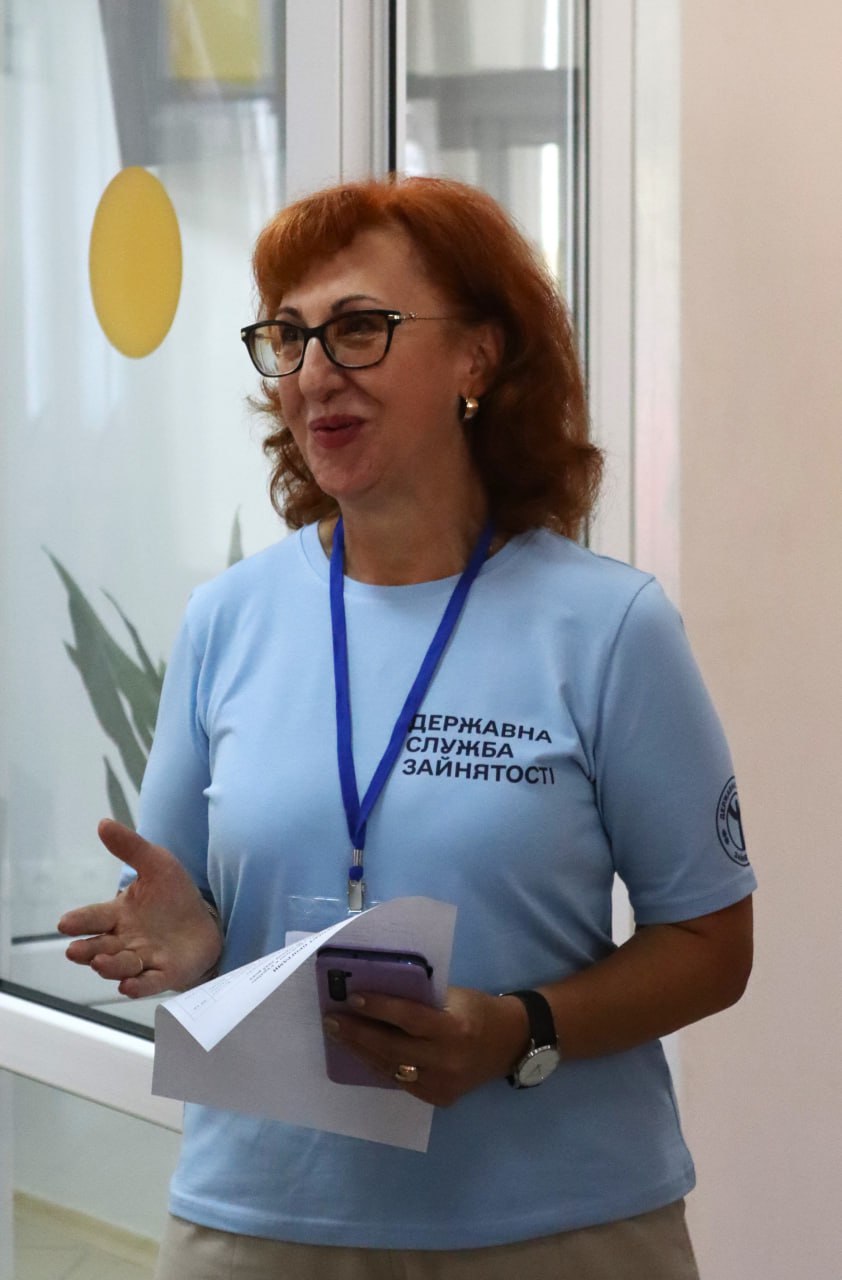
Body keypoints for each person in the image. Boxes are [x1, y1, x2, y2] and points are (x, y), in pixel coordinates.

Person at [58, 175, 755, 1280]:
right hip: (261, 1226)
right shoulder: (227, 620)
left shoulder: (609, 627)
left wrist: (516, 1029)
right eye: (288, 338)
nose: (313, 374)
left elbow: (712, 947)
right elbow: (184, 913)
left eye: (358, 328)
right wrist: (192, 942)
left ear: (478, 357)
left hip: (558, 1227)